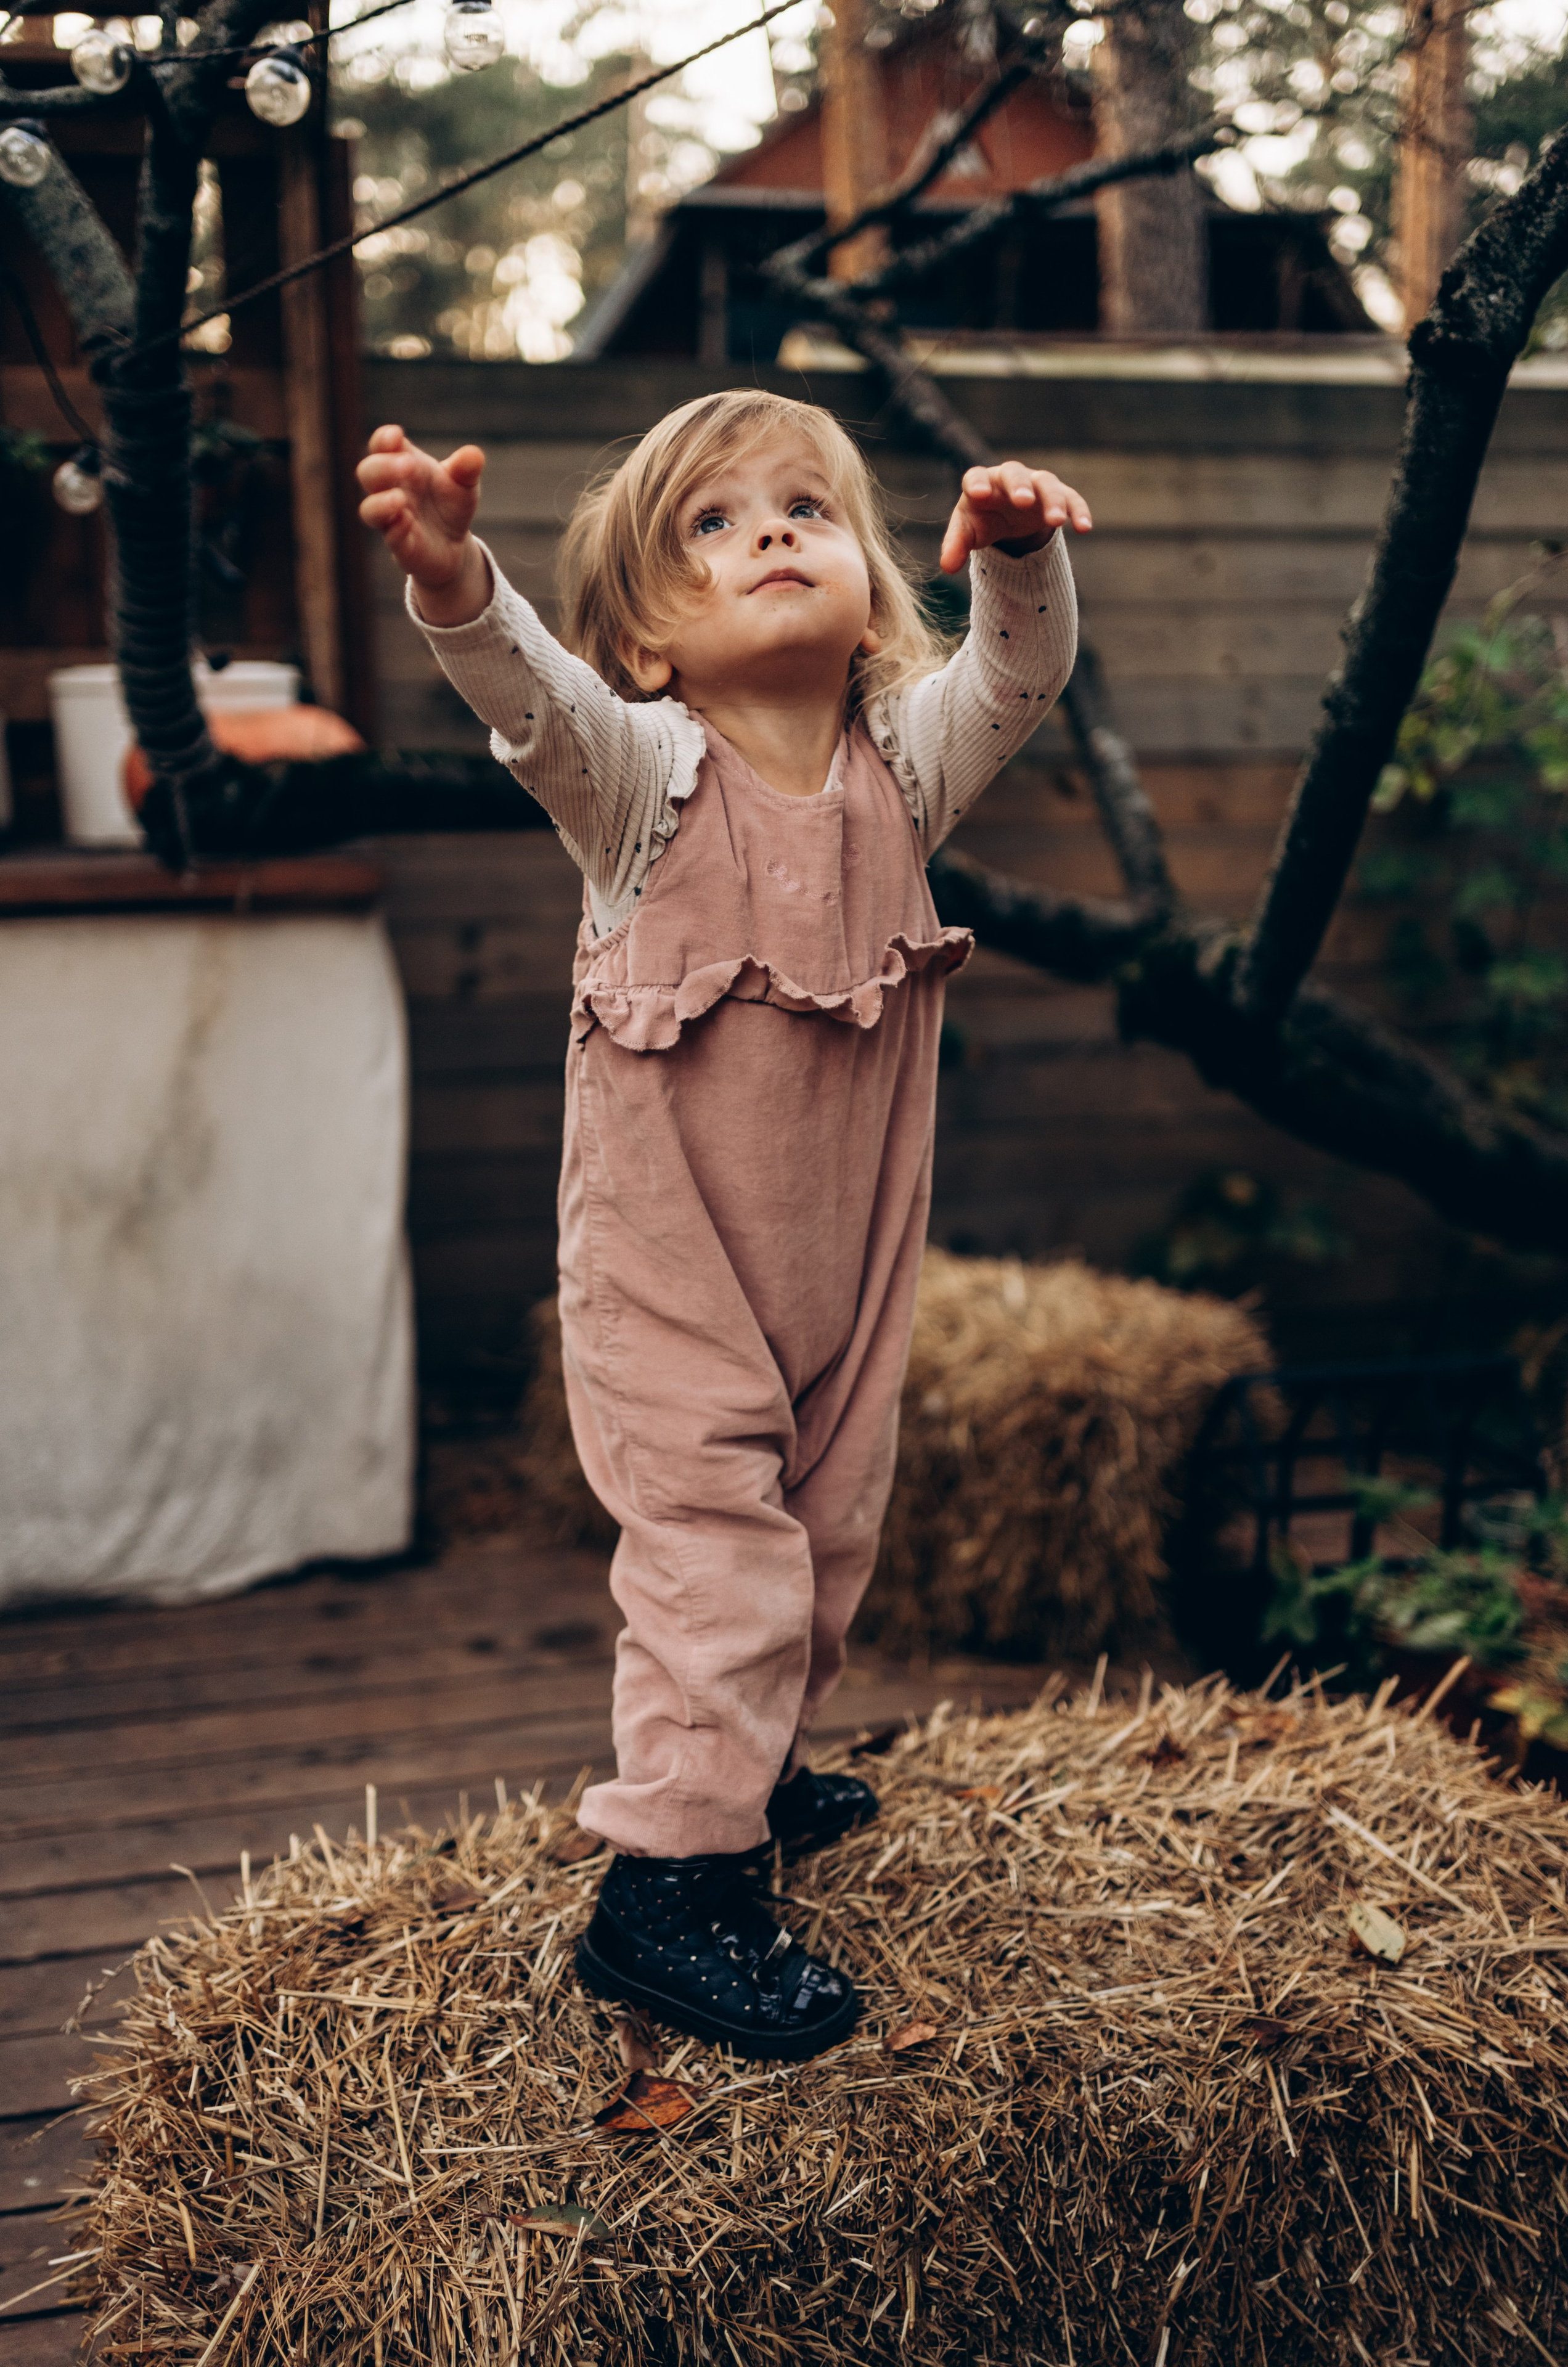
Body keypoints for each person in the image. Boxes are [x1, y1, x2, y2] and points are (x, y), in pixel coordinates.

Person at [359, 390, 1087, 2062]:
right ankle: (666, 1898)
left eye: (806, 509)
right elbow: (528, 700)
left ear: (870, 586)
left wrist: (1027, 560)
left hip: (840, 1265)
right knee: (718, 1558)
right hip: (666, 1265)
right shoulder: (638, 780)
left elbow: (1021, 676)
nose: (771, 532)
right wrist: (459, 582)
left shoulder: (904, 768)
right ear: (647, 641)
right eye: (714, 522)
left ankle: (743, 1777)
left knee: (828, 1534)